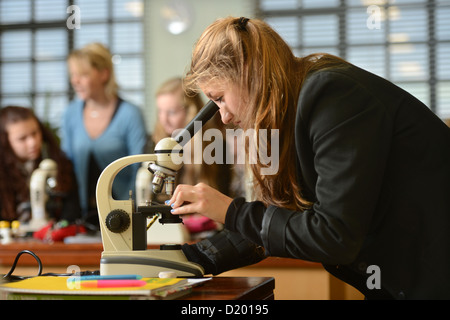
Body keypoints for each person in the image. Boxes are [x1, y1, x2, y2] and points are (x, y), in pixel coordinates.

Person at [166, 17, 450, 299]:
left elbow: (333, 236)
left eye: (220, 98)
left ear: (249, 72)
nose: (224, 117)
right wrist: (188, 259)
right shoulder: (282, 115)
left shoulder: (331, 95)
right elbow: (277, 216)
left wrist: (230, 211)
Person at [61, 43, 147, 227]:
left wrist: (126, 211)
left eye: (83, 75)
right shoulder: (70, 114)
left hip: (124, 216)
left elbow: (139, 167)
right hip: (82, 218)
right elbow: (66, 166)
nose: (75, 81)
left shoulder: (129, 114)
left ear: (104, 74)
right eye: (73, 75)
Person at [152, 77, 232, 197]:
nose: (164, 120)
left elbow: (223, 192)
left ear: (191, 111)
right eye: (160, 111)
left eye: (172, 112)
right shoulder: (154, 143)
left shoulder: (215, 146)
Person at [0, 106, 80, 223]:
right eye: (22, 138)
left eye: (35, 133)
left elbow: (72, 212)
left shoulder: (60, 164)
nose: (32, 142)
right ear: (5, 142)